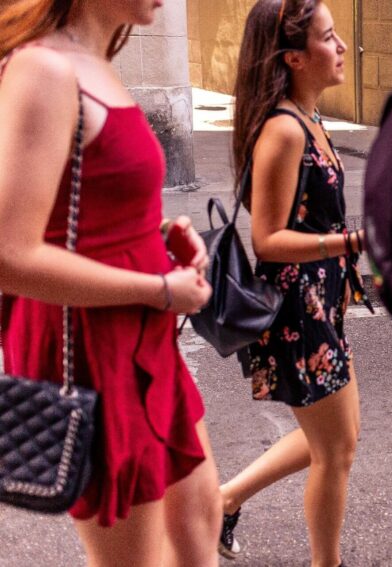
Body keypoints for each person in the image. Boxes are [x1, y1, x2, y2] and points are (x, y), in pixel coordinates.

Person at [0, 1, 222, 566]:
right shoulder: (45, 69)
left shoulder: (97, 58)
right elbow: (10, 254)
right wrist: (160, 290)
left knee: (199, 521)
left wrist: (164, 231)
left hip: (141, 332)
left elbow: (92, 208)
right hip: (94, 344)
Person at [217, 2, 366, 565]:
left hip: (321, 304)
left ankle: (225, 498)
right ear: (295, 57)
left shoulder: (309, 119)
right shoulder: (283, 130)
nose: (342, 47)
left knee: (337, 438)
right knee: (336, 450)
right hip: (295, 311)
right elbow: (268, 240)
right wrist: (350, 243)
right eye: (329, 38)